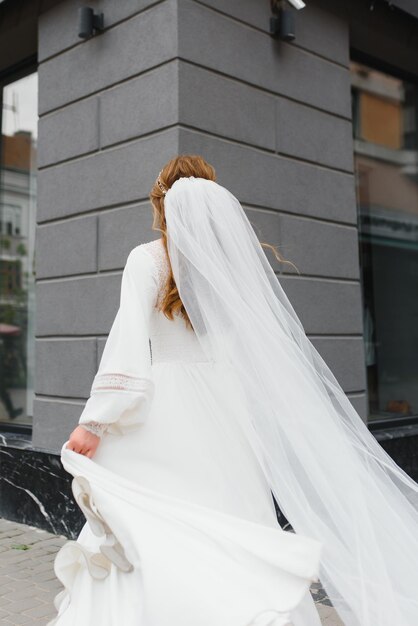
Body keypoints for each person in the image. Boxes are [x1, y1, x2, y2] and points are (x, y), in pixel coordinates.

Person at [49, 155, 418, 626]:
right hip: (226, 410)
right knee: (234, 520)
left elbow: (127, 347)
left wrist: (94, 421)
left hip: (166, 410)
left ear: (159, 203)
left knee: (161, 530)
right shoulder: (230, 270)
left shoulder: (146, 259)